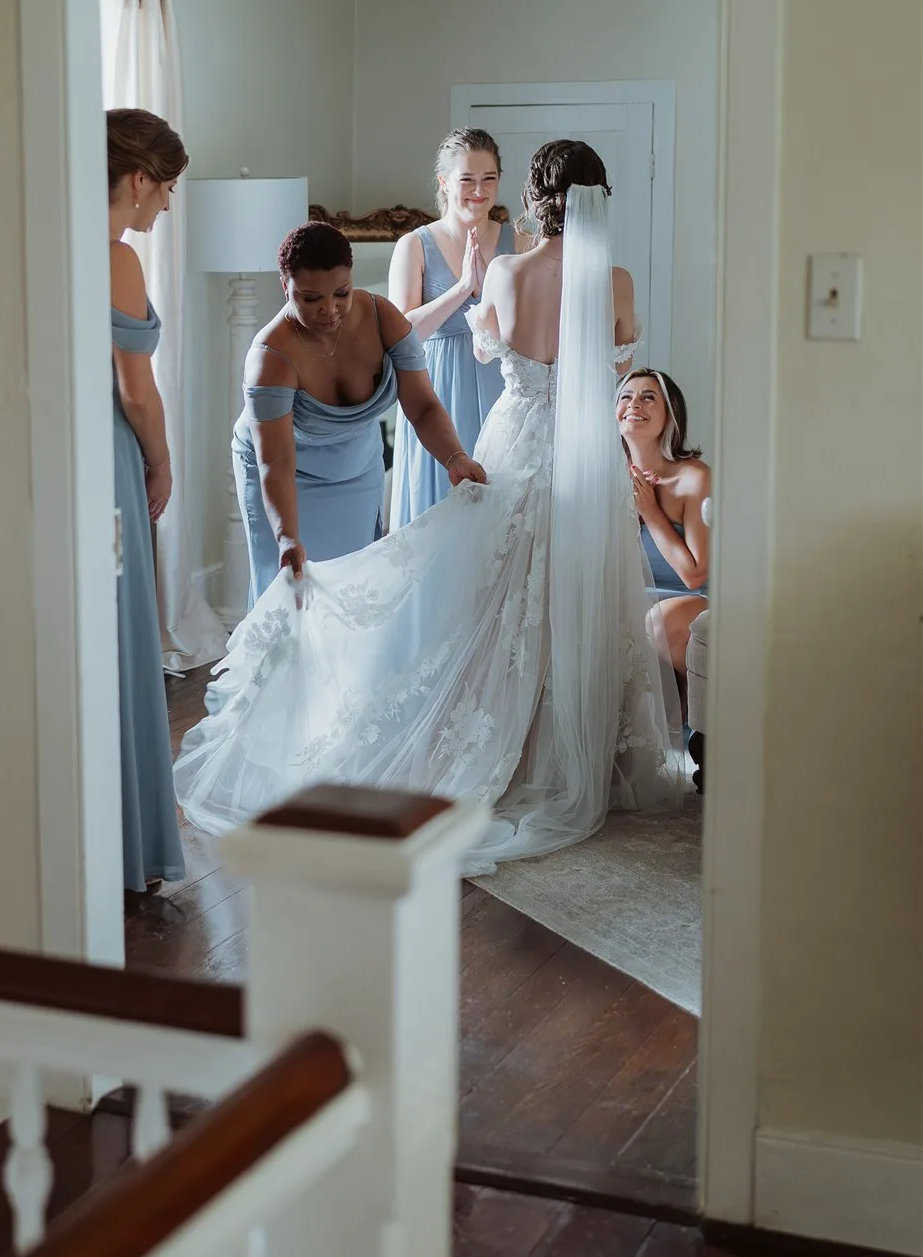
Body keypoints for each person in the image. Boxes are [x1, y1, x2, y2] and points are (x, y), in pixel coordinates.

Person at [176, 142, 682, 870]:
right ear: (598, 198)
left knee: (495, 602)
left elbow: (482, 353)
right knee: (578, 591)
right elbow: (619, 365)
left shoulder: (505, 273)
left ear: (534, 198)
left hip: (514, 440)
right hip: (584, 456)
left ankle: (496, 745)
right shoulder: (618, 282)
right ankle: (579, 757)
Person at [231, 219, 486, 606]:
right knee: (288, 600)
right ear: (286, 288)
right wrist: (287, 535)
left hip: (357, 466)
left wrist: (455, 456)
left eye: (341, 293)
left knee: (354, 595)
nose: (329, 310)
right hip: (285, 474)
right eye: (310, 298)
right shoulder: (270, 357)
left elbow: (423, 405)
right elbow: (275, 461)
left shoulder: (383, 319)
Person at [109, 107, 187, 895]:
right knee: (123, 630)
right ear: (136, 181)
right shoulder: (114, 258)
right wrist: (159, 465)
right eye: (162, 190)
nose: (162, 208)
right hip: (106, 460)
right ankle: (127, 852)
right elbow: (137, 392)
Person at [387, 128, 515, 524]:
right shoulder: (414, 245)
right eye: (467, 180)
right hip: (436, 392)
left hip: (503, 391)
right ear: (445, 183)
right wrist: (463, 290)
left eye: (488, 179)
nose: (479, 191)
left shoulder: (519, 240)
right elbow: (402, 333)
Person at [617, 367, 712, 694]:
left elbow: (695, 575)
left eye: (648, 397)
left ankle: (697, 713)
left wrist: (651, 512)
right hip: (628, 599)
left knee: (658, 623)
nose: (634, 404)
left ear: (670, 415)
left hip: (690, 601)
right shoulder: (605, 477)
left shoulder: (693, 477)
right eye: (626, 396)